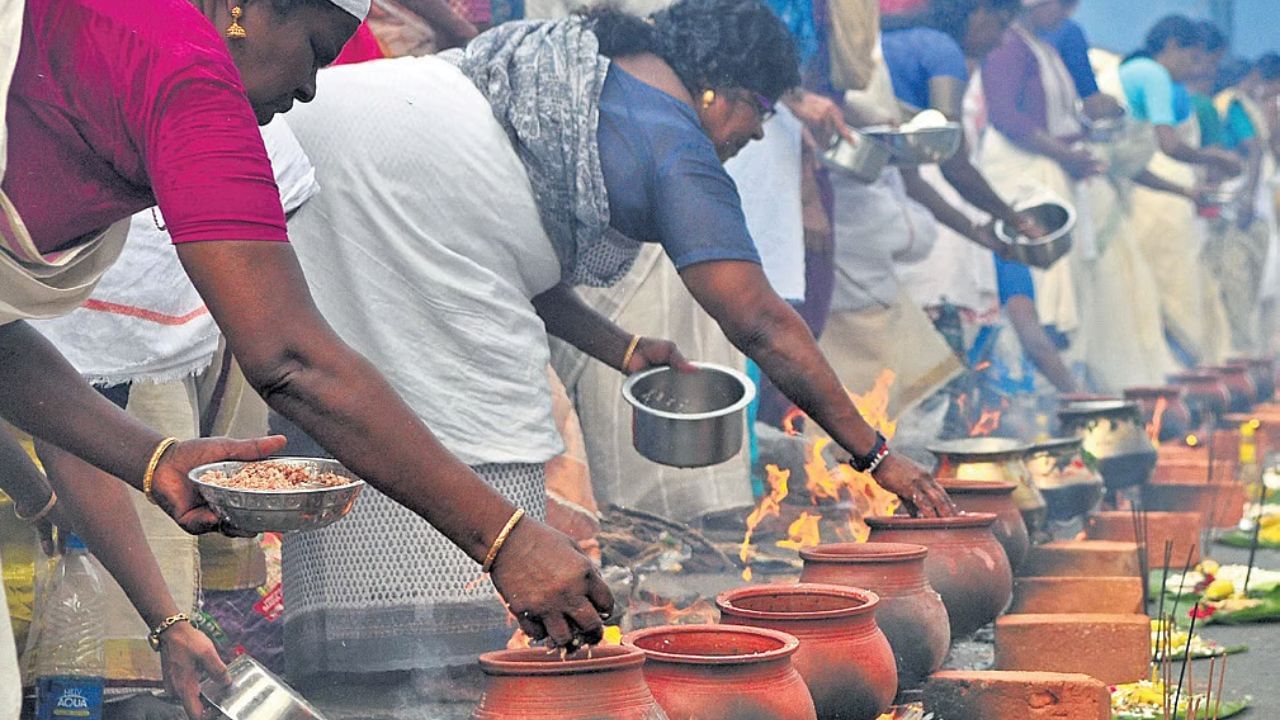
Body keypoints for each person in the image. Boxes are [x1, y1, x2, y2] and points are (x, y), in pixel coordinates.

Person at [1, 0, 612, 711]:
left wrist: (152, 457)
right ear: (246, 8)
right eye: (317, 50)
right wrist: (506, 541)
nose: (311, 88)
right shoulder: (184, 67)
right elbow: (291, 361)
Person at [1116, 15, 1239, 365]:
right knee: (1173, 288)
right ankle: (1178, 371)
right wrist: (1215, 157)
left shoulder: (1150, 77)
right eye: (1193, 58)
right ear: (1170, 47)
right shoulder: (1154, 74)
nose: (1197, 68)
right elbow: (1168, 145)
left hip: (1155, 191)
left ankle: (1175, 367)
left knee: (1160, 286)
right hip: (1157, 205)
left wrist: (1187, 191)